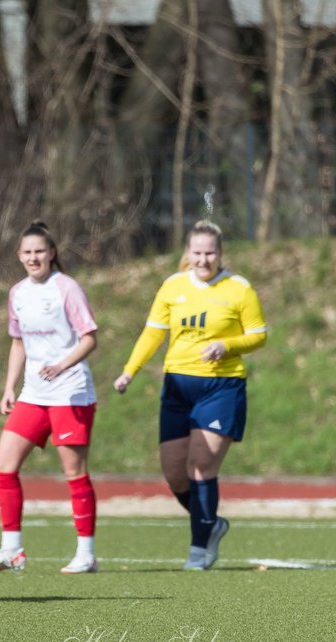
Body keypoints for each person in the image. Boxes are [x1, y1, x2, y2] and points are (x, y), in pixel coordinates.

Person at [112, 219, 268, 570]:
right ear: (187, 253)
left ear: (220, 253)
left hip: (221, 387)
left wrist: (226, 344)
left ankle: (199, 549)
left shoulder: (239, 289)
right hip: (177, 387)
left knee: (200, 466)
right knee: (174, 473)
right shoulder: (172, 286)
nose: (203, 259)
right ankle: (211, 523)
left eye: (210, 252)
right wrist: (129, 371)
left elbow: (259, 334)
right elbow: (153, 333)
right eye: (197, 252)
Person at [0, 220, 102, 576]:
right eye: (27, 252)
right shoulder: (18, 293)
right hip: (33, 394)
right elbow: (18, 342)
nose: (33, 258)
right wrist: (9, 387)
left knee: (74, 473)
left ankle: (86, 553)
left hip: (69, 392)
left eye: (39, 251)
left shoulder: (67, 288)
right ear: (19, 256)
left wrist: (62, 365)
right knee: (4, 465)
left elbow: (90, 337)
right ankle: (11, 550)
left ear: (52, 253)